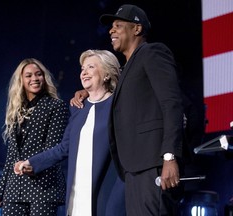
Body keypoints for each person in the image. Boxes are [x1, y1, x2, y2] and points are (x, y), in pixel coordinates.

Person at [70, 4, 184, 216]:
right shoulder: (127, 69)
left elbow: (172, 104)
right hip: (133, 169)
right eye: (111, 27)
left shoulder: (152, 53)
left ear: (137, 29)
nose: (111, 31)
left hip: (154, 164)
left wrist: (169, 156)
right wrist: (87, 91)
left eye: (118, 25)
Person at [14, 49, 126, 216]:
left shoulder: (119, 104)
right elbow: (65, 147)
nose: (84, 72)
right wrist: (32, 162)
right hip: (78, 191)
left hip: (107, 189)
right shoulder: (78, 107)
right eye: (82, 68)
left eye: (91, 67)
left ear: (107, 74)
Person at [0, 58, 69, 216]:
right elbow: (12, 155)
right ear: (21, 80)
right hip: (15, 188)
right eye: (28, 75)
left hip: (43, 186)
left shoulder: (56, 106)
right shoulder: (16, 110)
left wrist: (31, 165)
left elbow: (54, 149)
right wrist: (0, 191)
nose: (34, 78)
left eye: (38, 74)